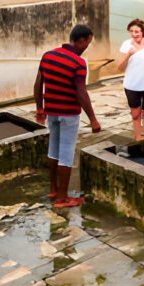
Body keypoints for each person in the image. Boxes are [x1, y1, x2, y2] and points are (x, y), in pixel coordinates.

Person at [33, 24, 102, 208]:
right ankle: (62, 199)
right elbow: (81, 92)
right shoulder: (78, 63)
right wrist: (93, 119)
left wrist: (40, 108)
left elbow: (38, 83)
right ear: (83, 40)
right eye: (89, 41)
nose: (88, 45)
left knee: (53, 149)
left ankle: (54, 189)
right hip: (69, 113)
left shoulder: (48, 55)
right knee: (66, 153)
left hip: (51, 111)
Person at [117, 18, 144, 141]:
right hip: (132, 85)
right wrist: (128, 55)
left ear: (143, 31)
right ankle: (137, 137)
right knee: (135, 114)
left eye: (137, 31)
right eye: (131, 31)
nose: (134, 34)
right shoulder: (126, 45)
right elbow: (120, 67)